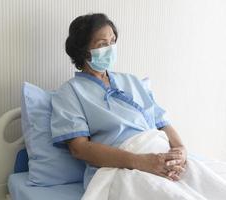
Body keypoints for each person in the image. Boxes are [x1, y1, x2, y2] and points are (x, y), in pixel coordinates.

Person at [50, 13, 187, 190]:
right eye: (102, 44)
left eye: (113, 42)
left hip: (161, 154)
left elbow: (162, 122)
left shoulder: (132, 81)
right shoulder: (69, 92)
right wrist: (141, 162)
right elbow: (80, 148)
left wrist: (181, 150)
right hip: (122, 165)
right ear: (84, 51)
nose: (110, 48)